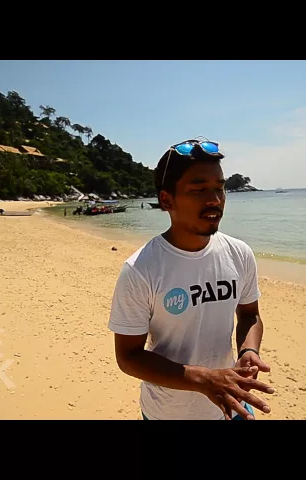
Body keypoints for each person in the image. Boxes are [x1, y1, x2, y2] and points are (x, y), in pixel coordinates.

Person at [107, 137, 274, 420]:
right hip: (169, 412)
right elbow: (129, 357)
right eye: (198, 190)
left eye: (219, 188)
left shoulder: (239, 253)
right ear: (166, 200)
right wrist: (203, 379)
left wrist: (249, 350)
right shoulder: (141, 269)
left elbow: (250, 315)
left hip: (231, 401)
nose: (215, 200)